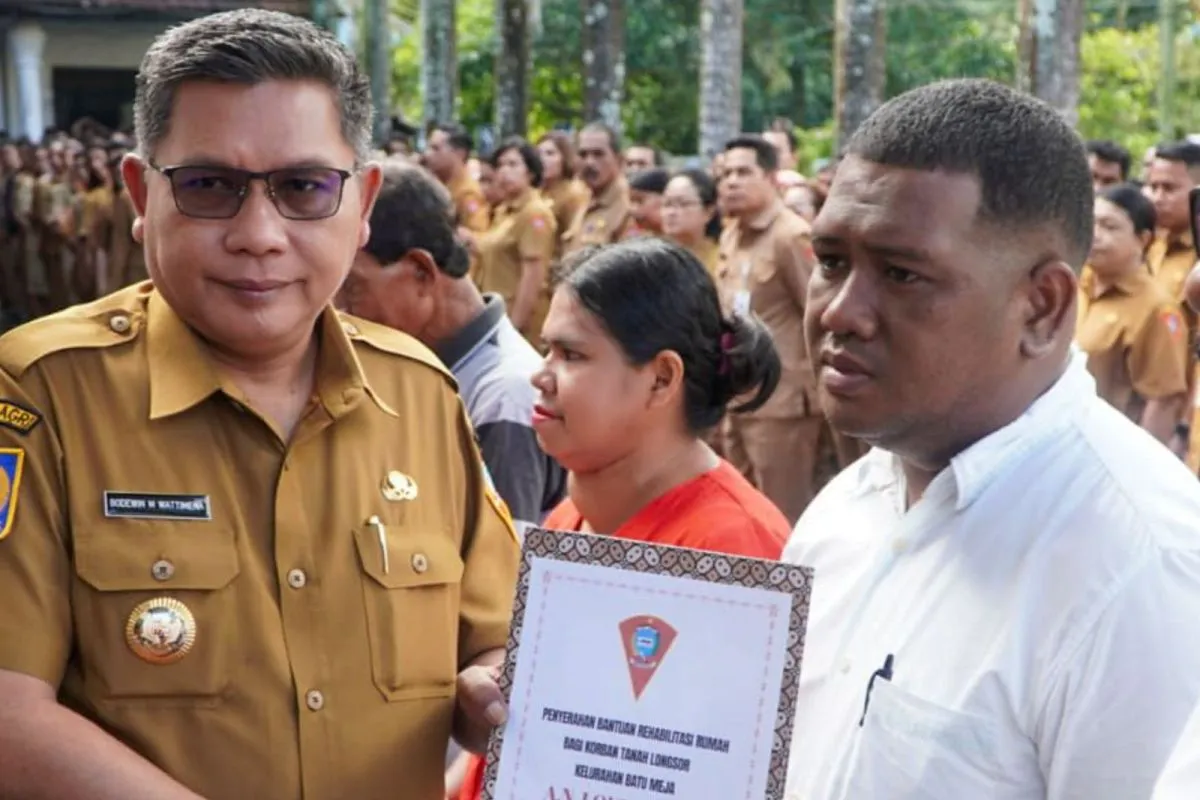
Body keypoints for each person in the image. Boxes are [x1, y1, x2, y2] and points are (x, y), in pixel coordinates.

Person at [0, 11, 519, 800]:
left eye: (303, 188)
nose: (259, 234)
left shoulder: (419, 395)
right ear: (141, 193)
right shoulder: (38, 396)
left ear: (362, 203)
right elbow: (10, 712)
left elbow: (494, 637)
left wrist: (492, 690)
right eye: (210, 186)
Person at [781, 78, 1200, 800]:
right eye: (831, 262)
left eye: (902, 273)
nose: (840, 313)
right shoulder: (845, 510)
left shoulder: (1141, 572)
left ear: (1041, 306)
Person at [457, 237, 792, 800]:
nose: (541, 375)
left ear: (661, 379)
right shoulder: (571, 520)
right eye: (547, 350)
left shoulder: (735, 552)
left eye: (572, 355)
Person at [341, 162, 566, 533]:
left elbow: (505, 558)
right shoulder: (418, 370)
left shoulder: (502, 396)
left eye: (352, 288)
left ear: (421, 272)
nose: (340, 311)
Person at [717, 134, 822, 524]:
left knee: (781, 514)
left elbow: (819, 314)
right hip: (736, 394)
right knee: (736, 513)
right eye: (726, 174)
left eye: (744, 172)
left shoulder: (791, 236)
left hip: (781, 402)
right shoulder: (732, 233)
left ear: (772, 178)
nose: (731, 182)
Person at [1076, 184, 1188, 443]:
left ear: (1143, 239)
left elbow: (1163, 399)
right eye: (1092, 223)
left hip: (1108, 445)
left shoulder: (1158, 308)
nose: (1095, 235)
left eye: (1110, 227)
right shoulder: (1075, 284)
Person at [1145, 141, 1200, 465]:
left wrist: (1183, 427)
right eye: (1153, 186)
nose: (1157, 196)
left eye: (1169, 188)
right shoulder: (1147, 244)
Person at [473, 138, 557, 342]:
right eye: (500, 165)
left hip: (517, 323)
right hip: (496, 314)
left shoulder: (534, 213)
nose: (504, 172)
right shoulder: (503, 211)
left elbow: (533, 276)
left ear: (531, 172)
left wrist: (514, 328)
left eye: (513, 164)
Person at [562, 122, 632, 252]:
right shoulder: (582, 200)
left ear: (619, 159)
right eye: (583, 154)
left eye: (598, 154)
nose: (589, 162)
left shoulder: (628, 205)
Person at [424, 123, 491, 238]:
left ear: (459, 153)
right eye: (429, 148)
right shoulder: (439, 185)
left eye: (436, 149)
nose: (427, 154)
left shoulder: (468, 193)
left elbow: (478, 235)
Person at [535, 131, 589, 258]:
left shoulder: (574, 193)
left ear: (564, 158)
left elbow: (573, 235)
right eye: (538, 154)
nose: (542, 159)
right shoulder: (538, 192)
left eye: (550, 153)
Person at [661, 168, 720, 278]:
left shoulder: (722, 260)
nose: (671, 212)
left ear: (708, 212)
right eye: (667, 204)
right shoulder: (655, 258)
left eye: (683, 204)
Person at [626, 167, 669, 238]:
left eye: (639, 201)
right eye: (631, 202)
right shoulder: (632, 236)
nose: (632, 209)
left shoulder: (683, 238)